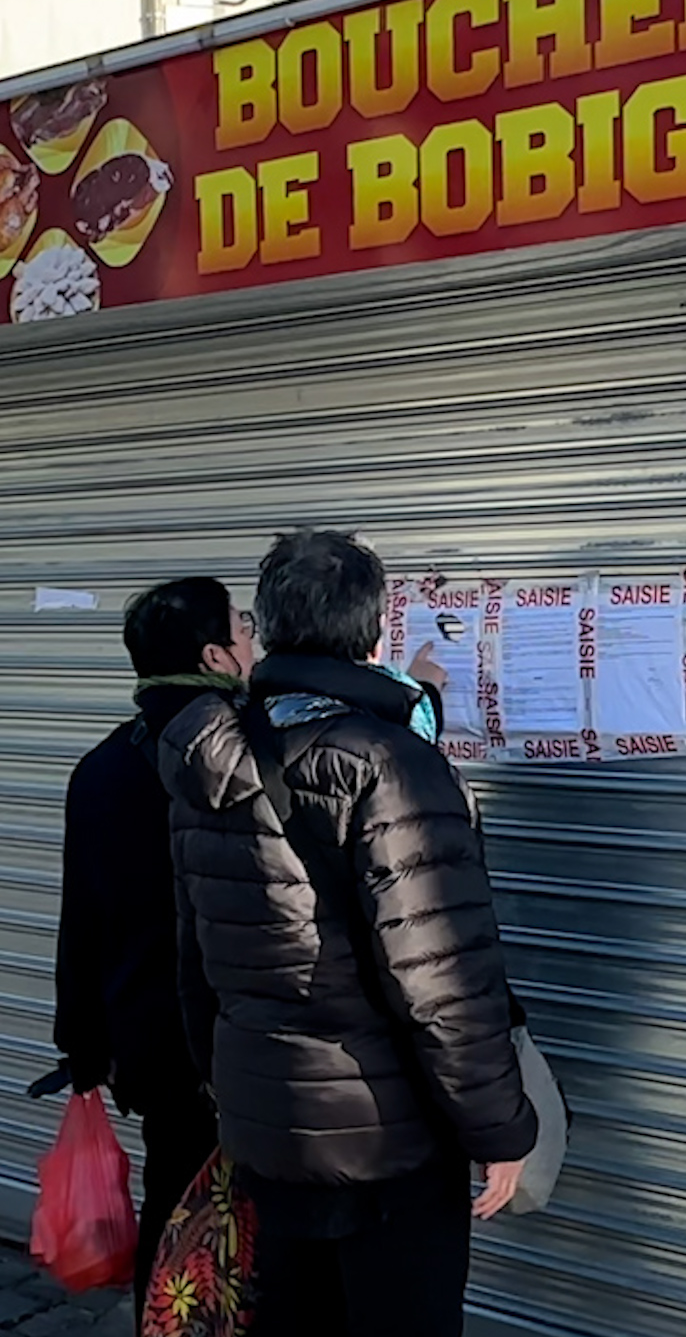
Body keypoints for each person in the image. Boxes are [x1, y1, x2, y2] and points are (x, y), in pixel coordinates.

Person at [158, 530, 537, 1337]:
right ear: (374, 632)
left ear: (267, 626)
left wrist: (233, 1088)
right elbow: (440, 980)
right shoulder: (388, 762)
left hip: (269, 1125)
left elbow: (195, 961)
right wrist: (501, 1129)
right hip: (387, 1140)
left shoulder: (209, 756)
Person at [53, 578, 257, 1326]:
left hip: (150, 1043)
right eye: (244, 626)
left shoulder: (101, 769)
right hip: (243, 1039)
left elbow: (84, 921)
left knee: (173, 1205)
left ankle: (165, 1321)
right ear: (215, 655)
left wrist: (83, 1044)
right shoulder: (248, 755)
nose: (254, 640)